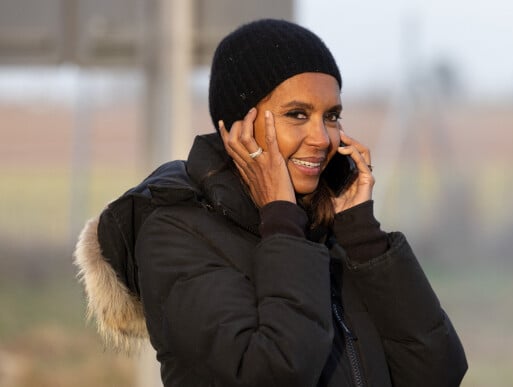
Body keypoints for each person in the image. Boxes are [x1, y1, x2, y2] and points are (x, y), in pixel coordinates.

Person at [74, 18, 467, 387]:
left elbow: (437, 371)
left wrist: (364, 238)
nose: (323, 138)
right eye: (297, 114)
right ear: (238, 126)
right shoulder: (174, 233)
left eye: (332, 116)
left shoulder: (325, 227)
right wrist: (281, 223)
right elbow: (275, 372)